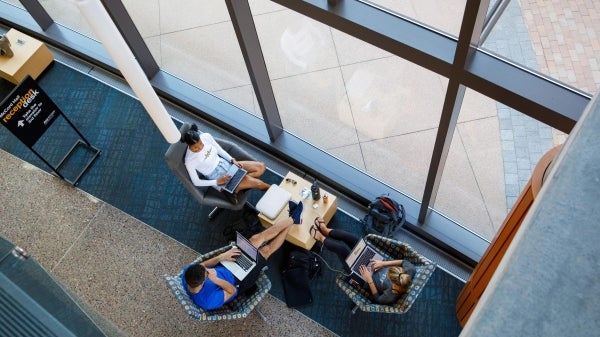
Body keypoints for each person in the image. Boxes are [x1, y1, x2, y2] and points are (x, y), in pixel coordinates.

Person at [181, 201, 304, 310]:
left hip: (225, 264)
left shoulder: (188, 274)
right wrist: (215, 279)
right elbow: (232, 291)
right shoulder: (208, 301)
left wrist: (222, 257)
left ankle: (293, 218)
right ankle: (293, 219)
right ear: (202, 283)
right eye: (206, 273)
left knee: (256, 238)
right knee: (265, 251)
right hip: (238, 281)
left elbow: (202, 265)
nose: (208, 271)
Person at [310, 217, 415, 305]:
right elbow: (403, 262)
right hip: (376, 261)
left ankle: (321, 238)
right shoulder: (410, 271)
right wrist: (383, 263)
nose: (387, 272)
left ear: (395, 286)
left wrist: (369, 279)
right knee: (349, 237)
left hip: (364, 276)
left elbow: (377, 299)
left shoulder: (391, 296)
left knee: (341, 249)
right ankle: (326, 230)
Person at [180, 124, 270, 203]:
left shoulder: (206, 136)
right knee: (259, 184)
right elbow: (196, 182)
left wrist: (232, 160)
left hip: (225, 164)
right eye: (195, 147)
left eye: (200, 143)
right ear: (189, 145)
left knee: (261, 167)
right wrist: (217, 182)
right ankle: (277, 192)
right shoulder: (189, 160)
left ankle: (236, 188)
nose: (200, 147)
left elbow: (219, 150)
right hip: (216, 176)